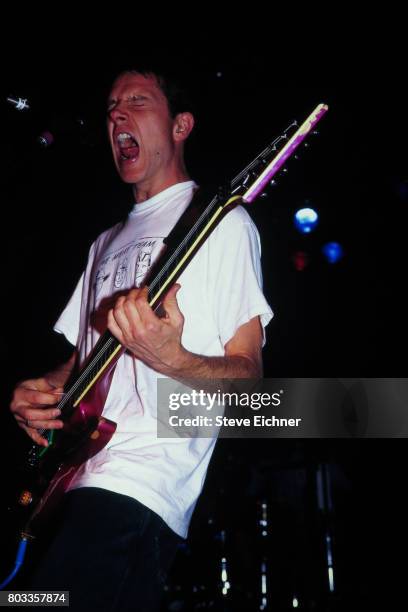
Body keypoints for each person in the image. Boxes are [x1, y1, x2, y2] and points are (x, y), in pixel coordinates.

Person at [10, 66, 273, 611]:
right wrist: (42, 394)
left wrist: (171, 357)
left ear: (181, 125)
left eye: (136, 100)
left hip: (141, 487)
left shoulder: (221, 222)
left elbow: (250, 382)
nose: (116, 115)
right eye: (111, 106)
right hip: (72, 483)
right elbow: (84, 363)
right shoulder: (103, 242)